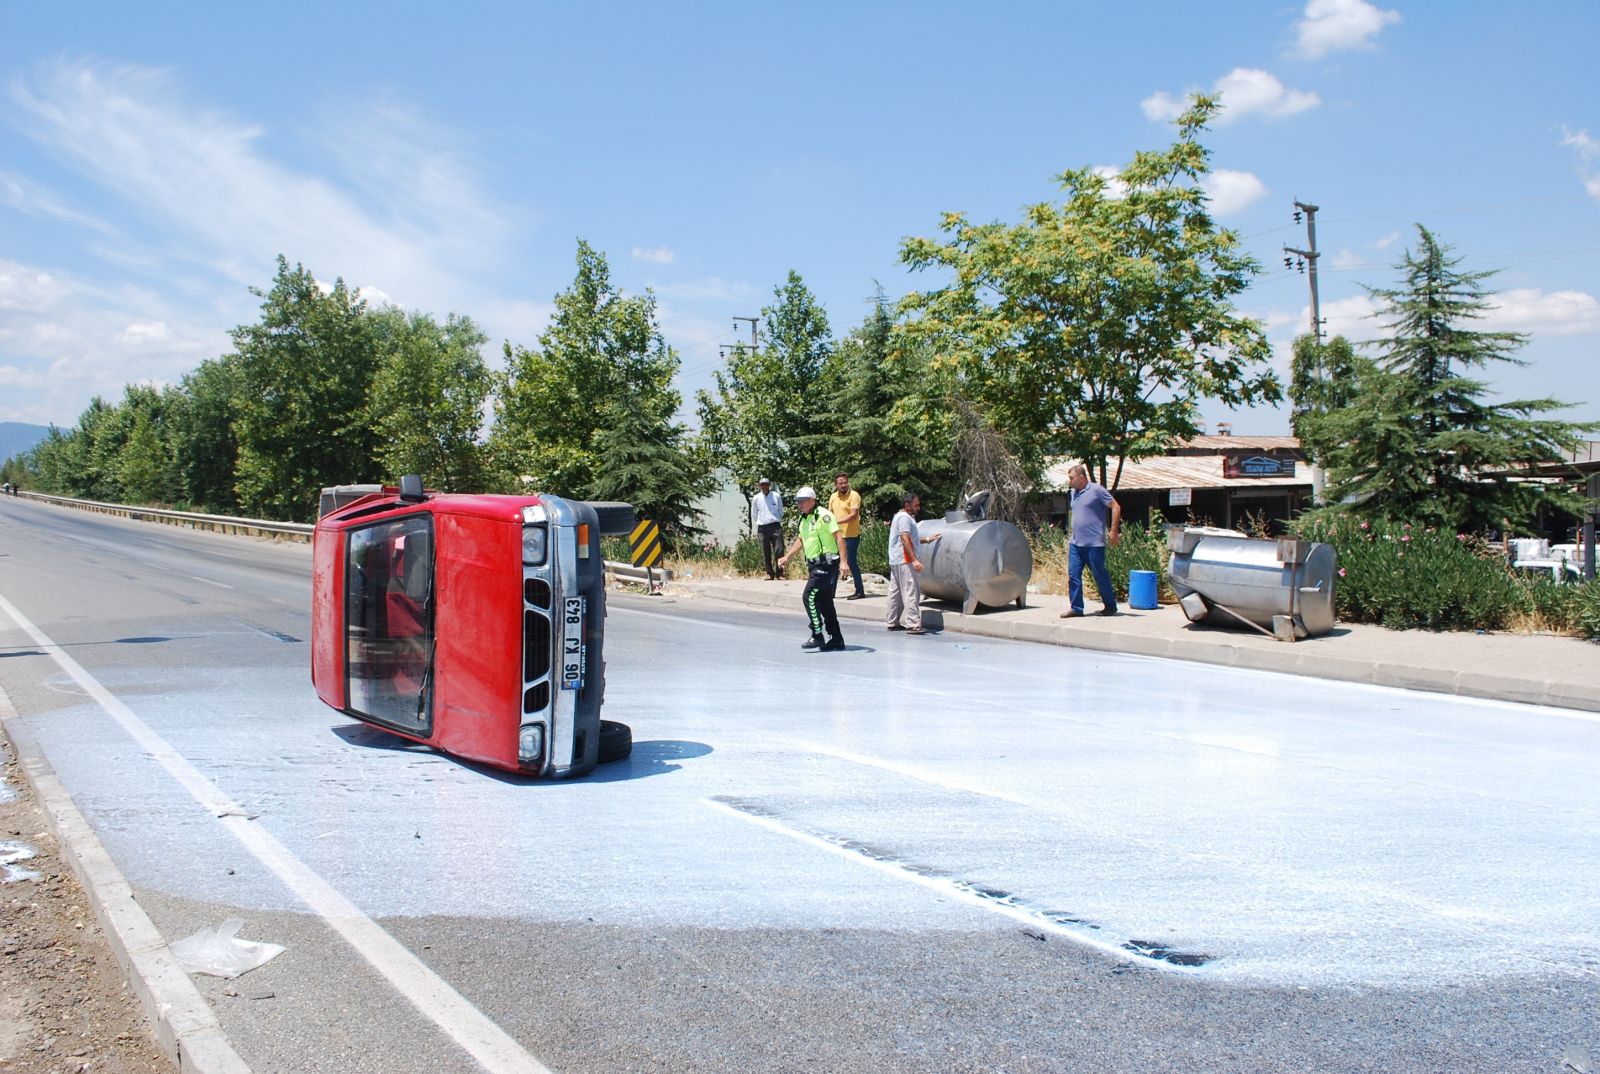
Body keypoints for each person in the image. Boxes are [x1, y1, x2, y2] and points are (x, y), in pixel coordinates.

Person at [775, 486, 845, 651]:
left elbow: (839, 537)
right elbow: (801, 540)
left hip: (826, 564)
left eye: (802, 501)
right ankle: (836, 638)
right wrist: (787, 557)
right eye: (797, 502)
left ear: (812, 500)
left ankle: (817, 634)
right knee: (825, 601)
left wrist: (844, 562)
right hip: (814, 565)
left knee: (809, 596)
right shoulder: (804, 519)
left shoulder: (824, 515)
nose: (799, 504)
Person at [1061, 463, 1121, 618]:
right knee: (1073, 574)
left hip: (1094, 544)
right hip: (1076, 543)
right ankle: (1076, 608)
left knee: (1099, 575)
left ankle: (1110, 606)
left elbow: (1115, 507)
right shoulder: (1073, 493)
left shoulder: (1096, 490)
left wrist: (1113, 531)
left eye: (1072, 478)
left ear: (1081, 478)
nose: (1070, 481)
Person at [886, 492, 941, 635]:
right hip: (905, 560)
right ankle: (913, 624)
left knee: (896, 593)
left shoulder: (898, 517)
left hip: (896, 560)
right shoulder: (905, 518)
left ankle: (892, 622)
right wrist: (914, 560)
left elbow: (911, 539)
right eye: (916, 505)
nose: (919, 507)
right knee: (911, 591)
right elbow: (905, 539)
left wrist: (928, 539)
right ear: (907, 505)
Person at [828, 472, 865, 600]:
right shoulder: (833, 497)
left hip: (850, 536)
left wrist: (837, 522)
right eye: (840, 483)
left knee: (851, 562)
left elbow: (854, 515)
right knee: (834, 563)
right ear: (836, 484)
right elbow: (830, 514)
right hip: (836, 536)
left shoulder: (854, 496)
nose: (843, 485)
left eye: (845, 482)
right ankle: (830, 593)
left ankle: (860, 591)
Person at [750, 477, 784, 580]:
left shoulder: (776, 496)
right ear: (759, 486)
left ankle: (780, 573)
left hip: (775, 526)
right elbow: (754, 513)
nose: (764, 486)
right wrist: (760, 521)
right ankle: (770, 573)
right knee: (766, 551)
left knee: (779, 550)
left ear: (769, 485)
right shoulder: (756, 498)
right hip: (763, 527)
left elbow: (781, 510)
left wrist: (776, 519)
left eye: (766, 484)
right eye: (762, 484)